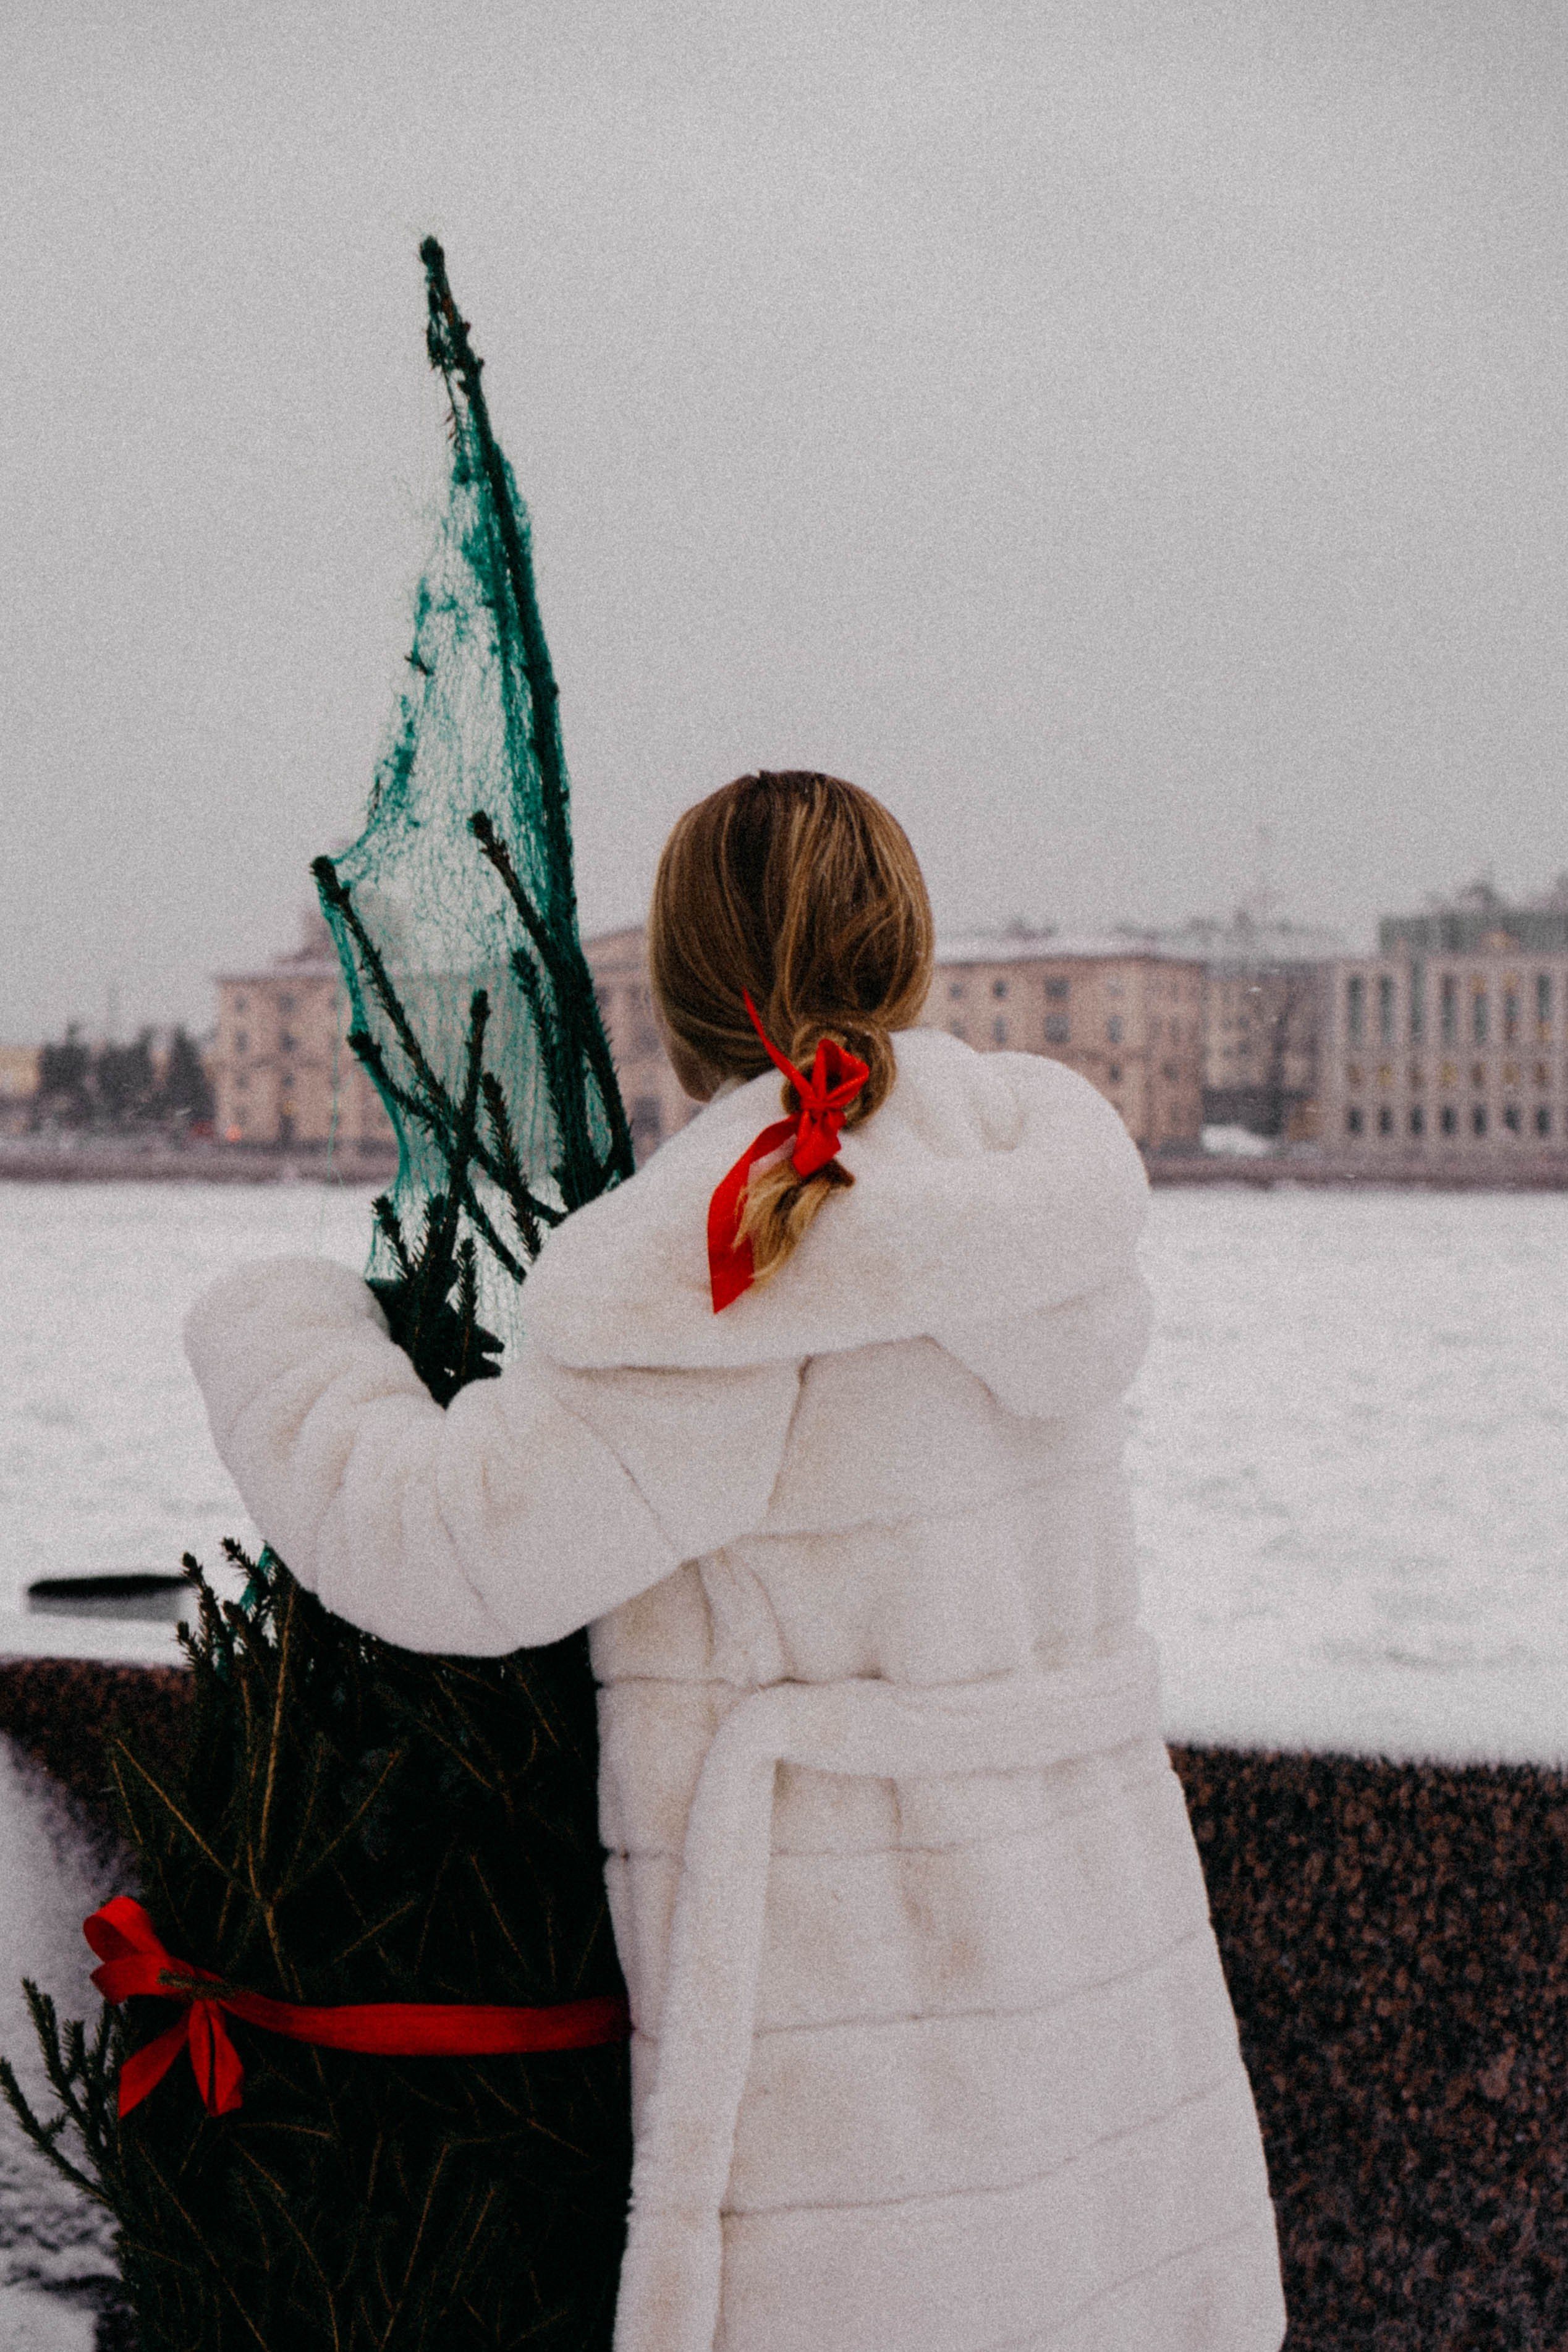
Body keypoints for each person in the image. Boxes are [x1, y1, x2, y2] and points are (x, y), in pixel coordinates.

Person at [185, 771, 1286, 2352]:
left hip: (854, 2060)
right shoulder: (1025, 1201)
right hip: (1089, 1993)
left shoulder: (728, 1250)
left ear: (680, 990)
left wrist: (282, 1334)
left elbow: (438, 1548)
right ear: (906, 948)